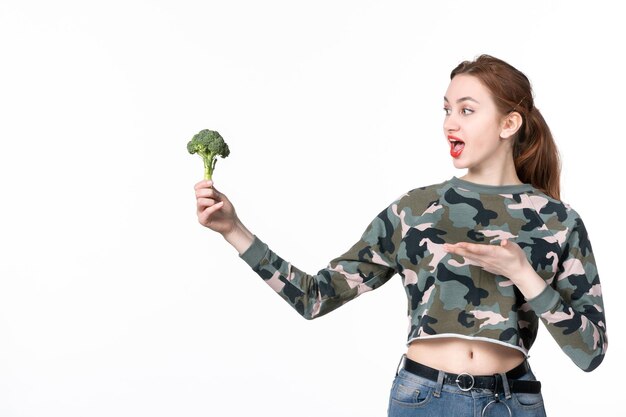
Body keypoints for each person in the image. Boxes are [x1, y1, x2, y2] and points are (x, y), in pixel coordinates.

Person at [193, 55, 607, 416]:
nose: (449, 123)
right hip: (425, 400)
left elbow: (590, 353)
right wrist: (233, 229)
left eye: (466, 110)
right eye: (445, 110)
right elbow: (314, 297)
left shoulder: (557, 220)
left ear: (509, 123)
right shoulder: (413, 210)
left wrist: (524, 274)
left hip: (514, 402)